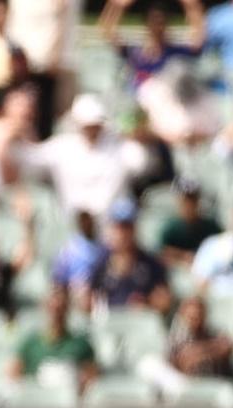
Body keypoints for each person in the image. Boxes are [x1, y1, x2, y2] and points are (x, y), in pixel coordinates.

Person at [17, 94, 149, 216]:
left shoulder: (120, 146)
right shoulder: (62, 147)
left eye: (95, 125)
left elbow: (141, 163)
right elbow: (30, 158)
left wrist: (136, 135)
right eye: (87, 125)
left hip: (114, 228)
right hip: (75, 226)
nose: (91, 130)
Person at [86, 199, 171, 314]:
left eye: (127, 227)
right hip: (108, 324)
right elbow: (87, 299)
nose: (123, 233)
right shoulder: (99, 263)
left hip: (140, 324)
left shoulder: (151, 264)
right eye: (119, 227)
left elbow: (164, 301)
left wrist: (147, 303)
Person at [9, 285, 98, 394]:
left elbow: (92, 376)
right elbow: (13, 373)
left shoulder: (81, 344)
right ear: (45, 309)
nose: (56, 314)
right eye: (52, 308)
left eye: (61, 309)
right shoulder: (30, 343)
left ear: (67, 310)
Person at [99, 0, 205, 88]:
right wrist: (117, 6)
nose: (157, 26)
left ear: (167, 23)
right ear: (147, 24)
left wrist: (192, 6)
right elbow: (108, 31)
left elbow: (199, 40)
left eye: (161, 21)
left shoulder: (175, 53)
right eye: (153, 21)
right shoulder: (135, 53)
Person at [158, 178, 222, 267]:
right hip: (180, 272)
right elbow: (162, 255)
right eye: (185, 201)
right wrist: (184, 256)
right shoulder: (170, 229)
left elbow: (222, 248)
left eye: (192, 200)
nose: (188, 205)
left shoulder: (209, 226)